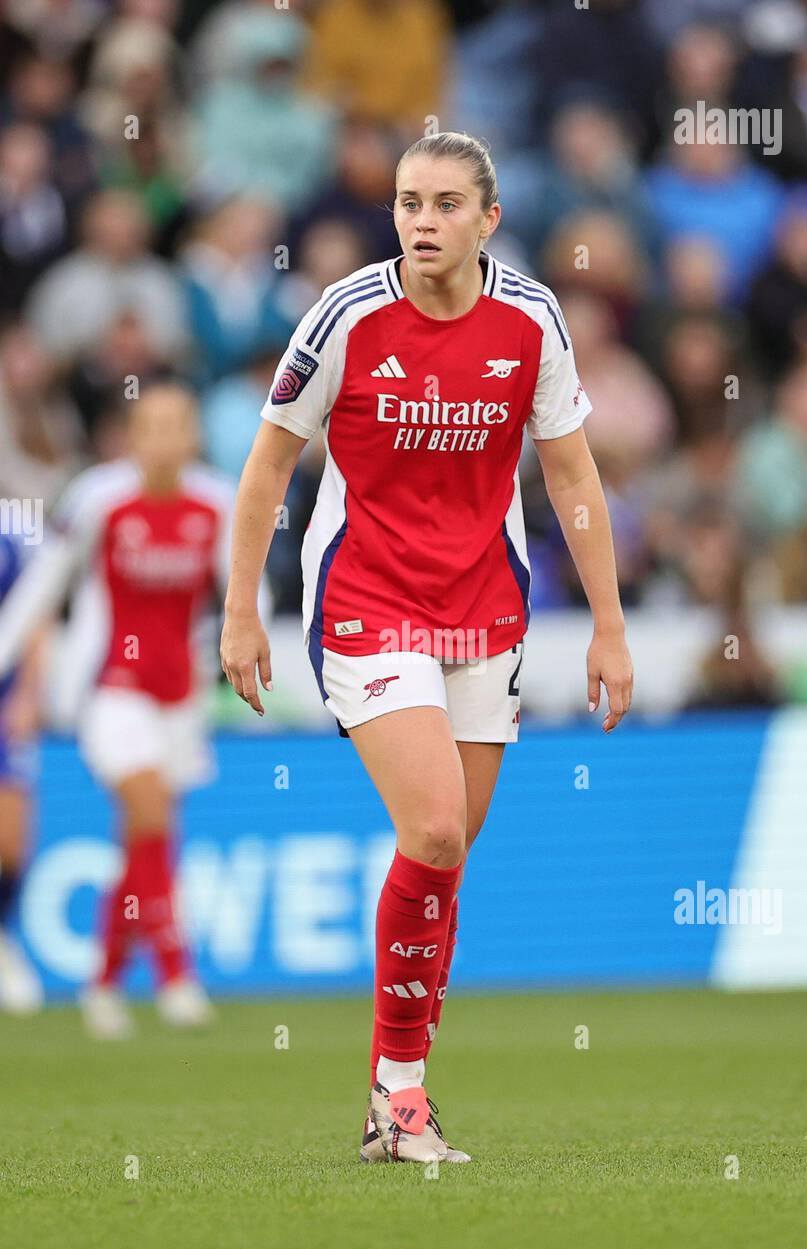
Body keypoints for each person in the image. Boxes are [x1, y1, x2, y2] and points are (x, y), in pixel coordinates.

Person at [220, 132, 633, 1163]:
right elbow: (269, 466)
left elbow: (574, 480)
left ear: (488, 219)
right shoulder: (348, 314)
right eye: (410, 202)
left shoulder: (533, 319)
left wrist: (611, 628)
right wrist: (238, 610)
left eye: (447, 203)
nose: (423, 221)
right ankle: (400, 1094)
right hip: (367, 593)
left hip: (484, 605)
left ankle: (392, 1096)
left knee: (445, 857)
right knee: (437, 825)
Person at [0, 384, 239, 1037]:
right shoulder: (99, 499)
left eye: (176, 424)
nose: (164, 437)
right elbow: (45, 584)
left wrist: (242, 649)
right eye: (151, 424)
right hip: (112, 688)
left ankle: (102, 983)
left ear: (193, 436)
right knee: (150, 810)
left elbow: (244, 589)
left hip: (179, 695)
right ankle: (176, 977)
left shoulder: (216, 502)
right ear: (132, 436)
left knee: (146, 840)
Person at [0, 531, 44, 1014]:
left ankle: (2, 938)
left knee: (11, 842)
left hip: (3, 707)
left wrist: (30, 695)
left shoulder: (11, 542)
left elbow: (36, 618)